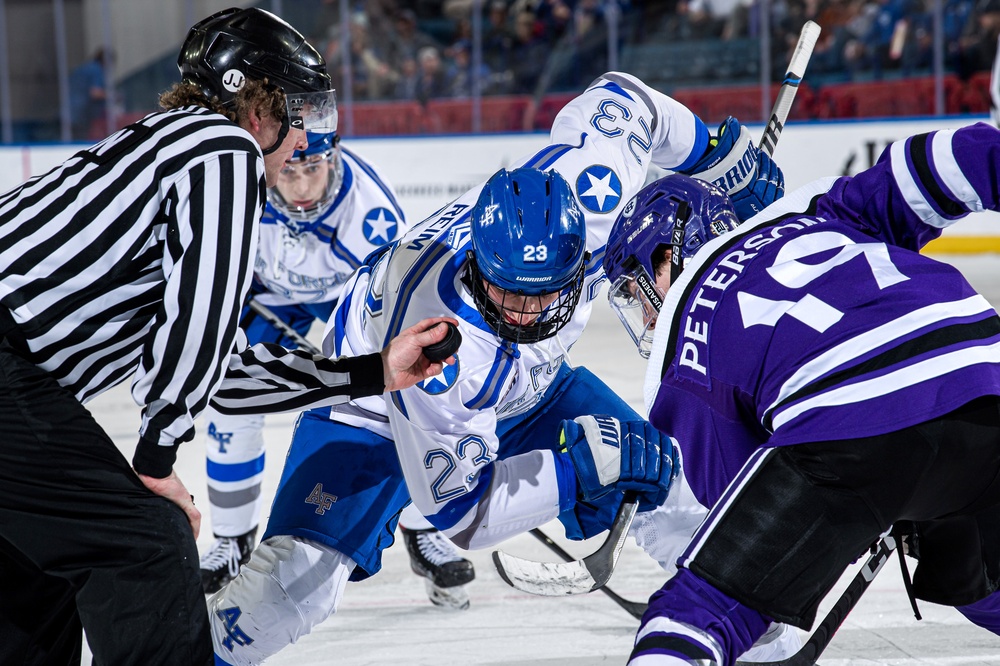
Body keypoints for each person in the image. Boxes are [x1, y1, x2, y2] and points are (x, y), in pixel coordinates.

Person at [208, 70, 790, 665]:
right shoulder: (440, 343)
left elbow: (627, 97)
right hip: (375, 402)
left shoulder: (592, 193)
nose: (527, 312)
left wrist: (717, 157)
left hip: (527, 388)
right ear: (479, 265)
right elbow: (460, 513)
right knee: (289, 589)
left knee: (665, 474)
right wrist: (572, 474)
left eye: (545, 293)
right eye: (510, 293)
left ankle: (744, 615)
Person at [0, 7, 457, 665]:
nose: (307, 137)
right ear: (254, 104)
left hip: (18, 383)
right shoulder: (221, 149)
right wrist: (157, 461)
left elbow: (221, 373)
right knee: (147, 544)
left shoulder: (166, 157)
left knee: (42, 571)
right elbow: (202, 328)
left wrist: (374, 371)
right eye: (296, 110)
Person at [601, 125, 1000, 666]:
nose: (645, 314)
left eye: (634, 289)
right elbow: (949, 161)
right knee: (980, 577)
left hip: (848, 428)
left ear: (668, 253)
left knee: (698, 608)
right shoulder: (813, 212)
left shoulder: (682, 343)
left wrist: (862, 510)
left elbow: (737, 498)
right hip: (984, 374)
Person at [198, 129, 477, 609]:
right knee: (231, 400)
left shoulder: (370, 217)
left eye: (314, 168)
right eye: (290, 170)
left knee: (400, 405)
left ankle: (422, 529)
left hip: (343, 301)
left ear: (333, 159)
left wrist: (367, 357)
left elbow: (394, 304)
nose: (303, 185)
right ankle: (231, 540)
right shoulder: (241, 187)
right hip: (267, 301)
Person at [69, 46, 113, 141]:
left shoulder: (84, 68)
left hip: (71, 111)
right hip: (82, 113)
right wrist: (112, 96)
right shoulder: (96, 70)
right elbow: (95, 93)